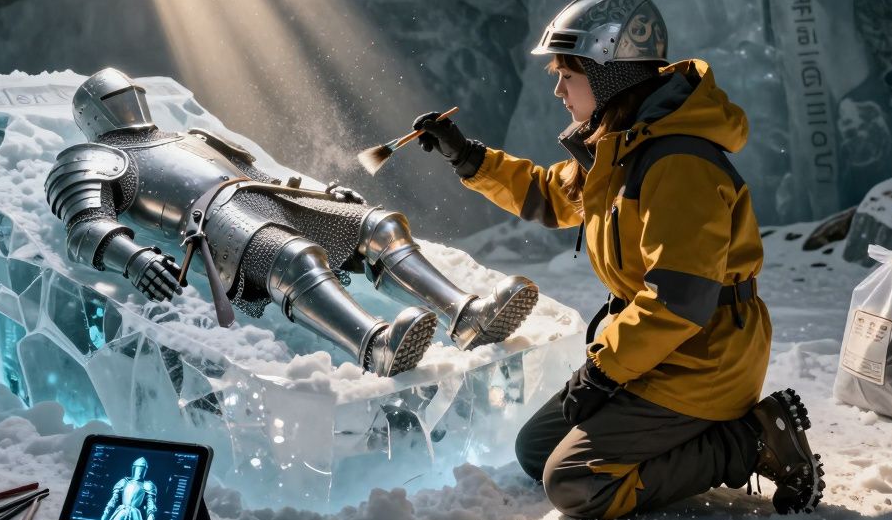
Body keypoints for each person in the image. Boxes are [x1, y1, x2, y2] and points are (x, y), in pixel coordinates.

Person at [412, 0, 824, 519]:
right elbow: (550, 195)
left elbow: (679, 303)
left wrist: (602, 371)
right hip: (657, 351)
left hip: (703, 360)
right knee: (535, 452)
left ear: (609, 76)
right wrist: (467, 157)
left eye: (568, 74)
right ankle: (694, 436)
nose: (559, 90)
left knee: (577, 485)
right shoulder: (621, 147)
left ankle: (750, 441)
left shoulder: (678, 165)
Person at [45, 68, 539, 377]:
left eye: (128, 93)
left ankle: (465, 315)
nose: (126, 103)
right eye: (114, 100)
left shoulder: (190, 136)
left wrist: (322, 193)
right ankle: (375, 346)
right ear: (93, 116)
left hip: (266, 195)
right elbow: (85, 225)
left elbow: (259, 172)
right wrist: (131, 259)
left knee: (378, 225)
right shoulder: (89, 157)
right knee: (293, 258)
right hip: (215, 220)